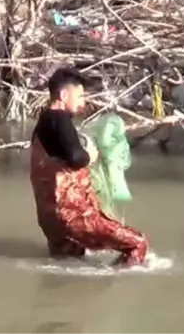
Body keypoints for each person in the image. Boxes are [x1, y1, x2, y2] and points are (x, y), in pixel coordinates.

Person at [30, 67, 149, 267]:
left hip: (50, 219)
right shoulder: (59, 119)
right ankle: (117, 284)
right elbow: (77, 158)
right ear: (64, 95)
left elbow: (61, 155)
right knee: (138, 243)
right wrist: (91, 156)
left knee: (67, 264)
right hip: (73, 217)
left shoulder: (43, 122)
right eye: (80, 96)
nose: (83, 102)